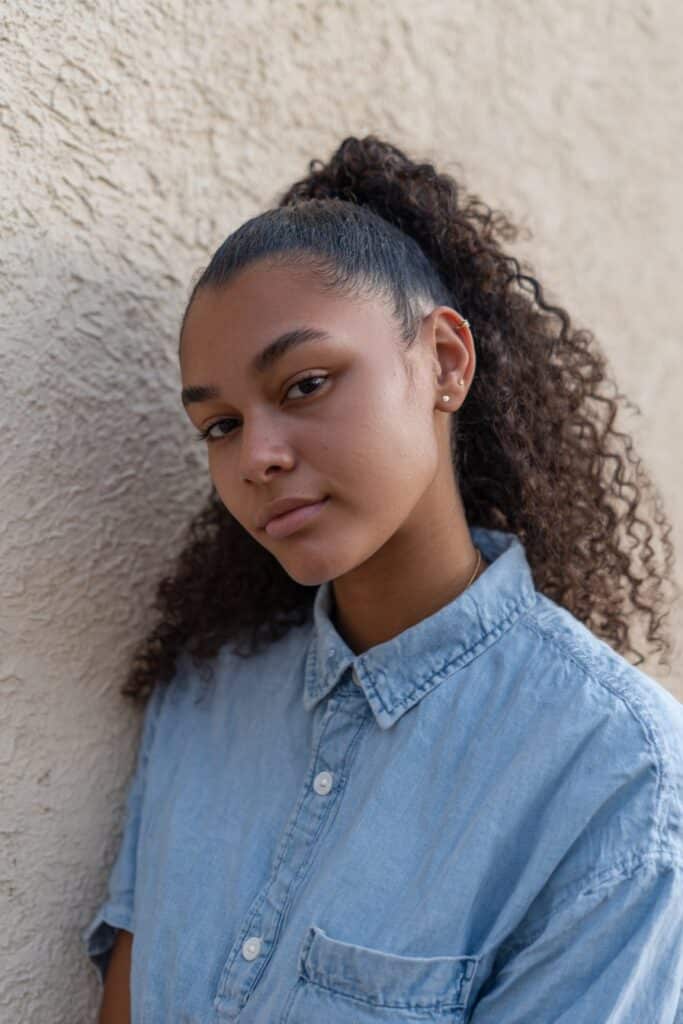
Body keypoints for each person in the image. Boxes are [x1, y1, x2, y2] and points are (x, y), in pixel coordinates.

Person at [82, 135, 683, 1023]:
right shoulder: (203, 699)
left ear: (444, 361)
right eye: (218, 426)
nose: (257, 456)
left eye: (305, 383)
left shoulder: (617, 773)